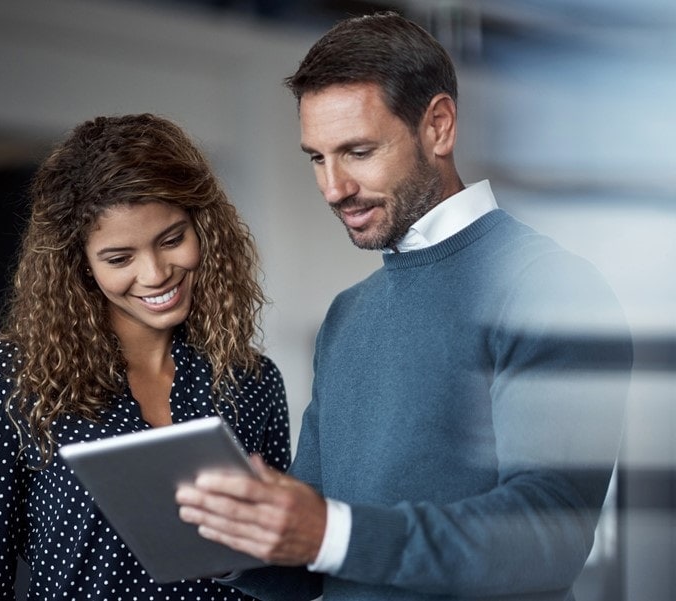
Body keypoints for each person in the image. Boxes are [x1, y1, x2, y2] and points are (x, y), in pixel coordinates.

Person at [175, 11, 633, 601]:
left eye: (358, 151)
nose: (333, 187)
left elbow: (546, 538)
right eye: (317, 158)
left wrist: (330, 532)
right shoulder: (346, 317)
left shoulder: (548, 287)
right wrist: (231, 543)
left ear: (438, 126)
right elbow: (315, 561)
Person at [0, 113, 292, 600]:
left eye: (172, 239)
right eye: (119, 258)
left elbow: (282, 578)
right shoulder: (9, 378)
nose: (154, 274)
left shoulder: (252, 380)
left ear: (205, 228)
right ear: (79, 266)